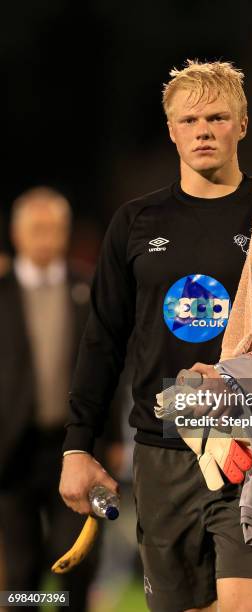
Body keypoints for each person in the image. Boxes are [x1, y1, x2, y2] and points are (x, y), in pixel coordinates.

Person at [59, 60, 252, 612]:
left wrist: (238, 376)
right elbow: (102, 341)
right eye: (189, 119)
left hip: (250, 446)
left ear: (242, 125)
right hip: (160, 451)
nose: (203, 129)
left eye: (218, 117)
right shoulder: (135, 221)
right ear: (170, 129)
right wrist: (80, 445)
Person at [0, 187, 109, 612]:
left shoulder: (87, 289)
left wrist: (112, 437)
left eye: (54, 228)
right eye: (36, 229)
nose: (46, 237)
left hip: (75, 447)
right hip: (13, 450)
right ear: (16, 232)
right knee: (21, 565)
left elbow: (109, 369)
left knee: (75, 559)